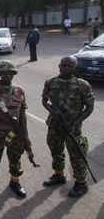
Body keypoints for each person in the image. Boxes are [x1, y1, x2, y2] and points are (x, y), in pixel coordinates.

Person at [42, 56, 94, 198]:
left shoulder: (82, 85)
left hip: (72, 128)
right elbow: (44, 99)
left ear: (74, 68)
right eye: (63, 65)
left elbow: (90, 107)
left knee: (77, 154)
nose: (66, 68)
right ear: (59, 66)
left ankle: (81, 182)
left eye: (69, 66)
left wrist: (76, 122)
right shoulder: (51, 82)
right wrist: (52, 111)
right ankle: (59, 175)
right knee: (56, 150)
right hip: (54, 125)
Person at [0, 61, 30, 200]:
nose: (7, 75)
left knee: (15, 158)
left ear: (13, 74)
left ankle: (15, 182)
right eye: (4, 73)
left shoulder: (20, 90)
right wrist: (0, 116)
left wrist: (25, 136)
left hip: (14, 132)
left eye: (10, 73)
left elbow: (22, 114)